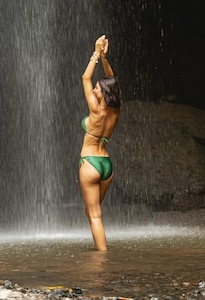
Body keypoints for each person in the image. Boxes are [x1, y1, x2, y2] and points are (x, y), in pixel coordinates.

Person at [79, 34, 122, 251]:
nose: (94, 89)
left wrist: (96, 53)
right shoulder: (116, 110)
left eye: (98, 88)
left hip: (90, 164)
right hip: (106, 165)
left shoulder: (95, 110)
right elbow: (111, 80)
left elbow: (85, 78)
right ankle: (102, 254)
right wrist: (106, 59)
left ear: (103, 93)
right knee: (91, 211)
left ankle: (101, 259)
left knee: (95, 215)